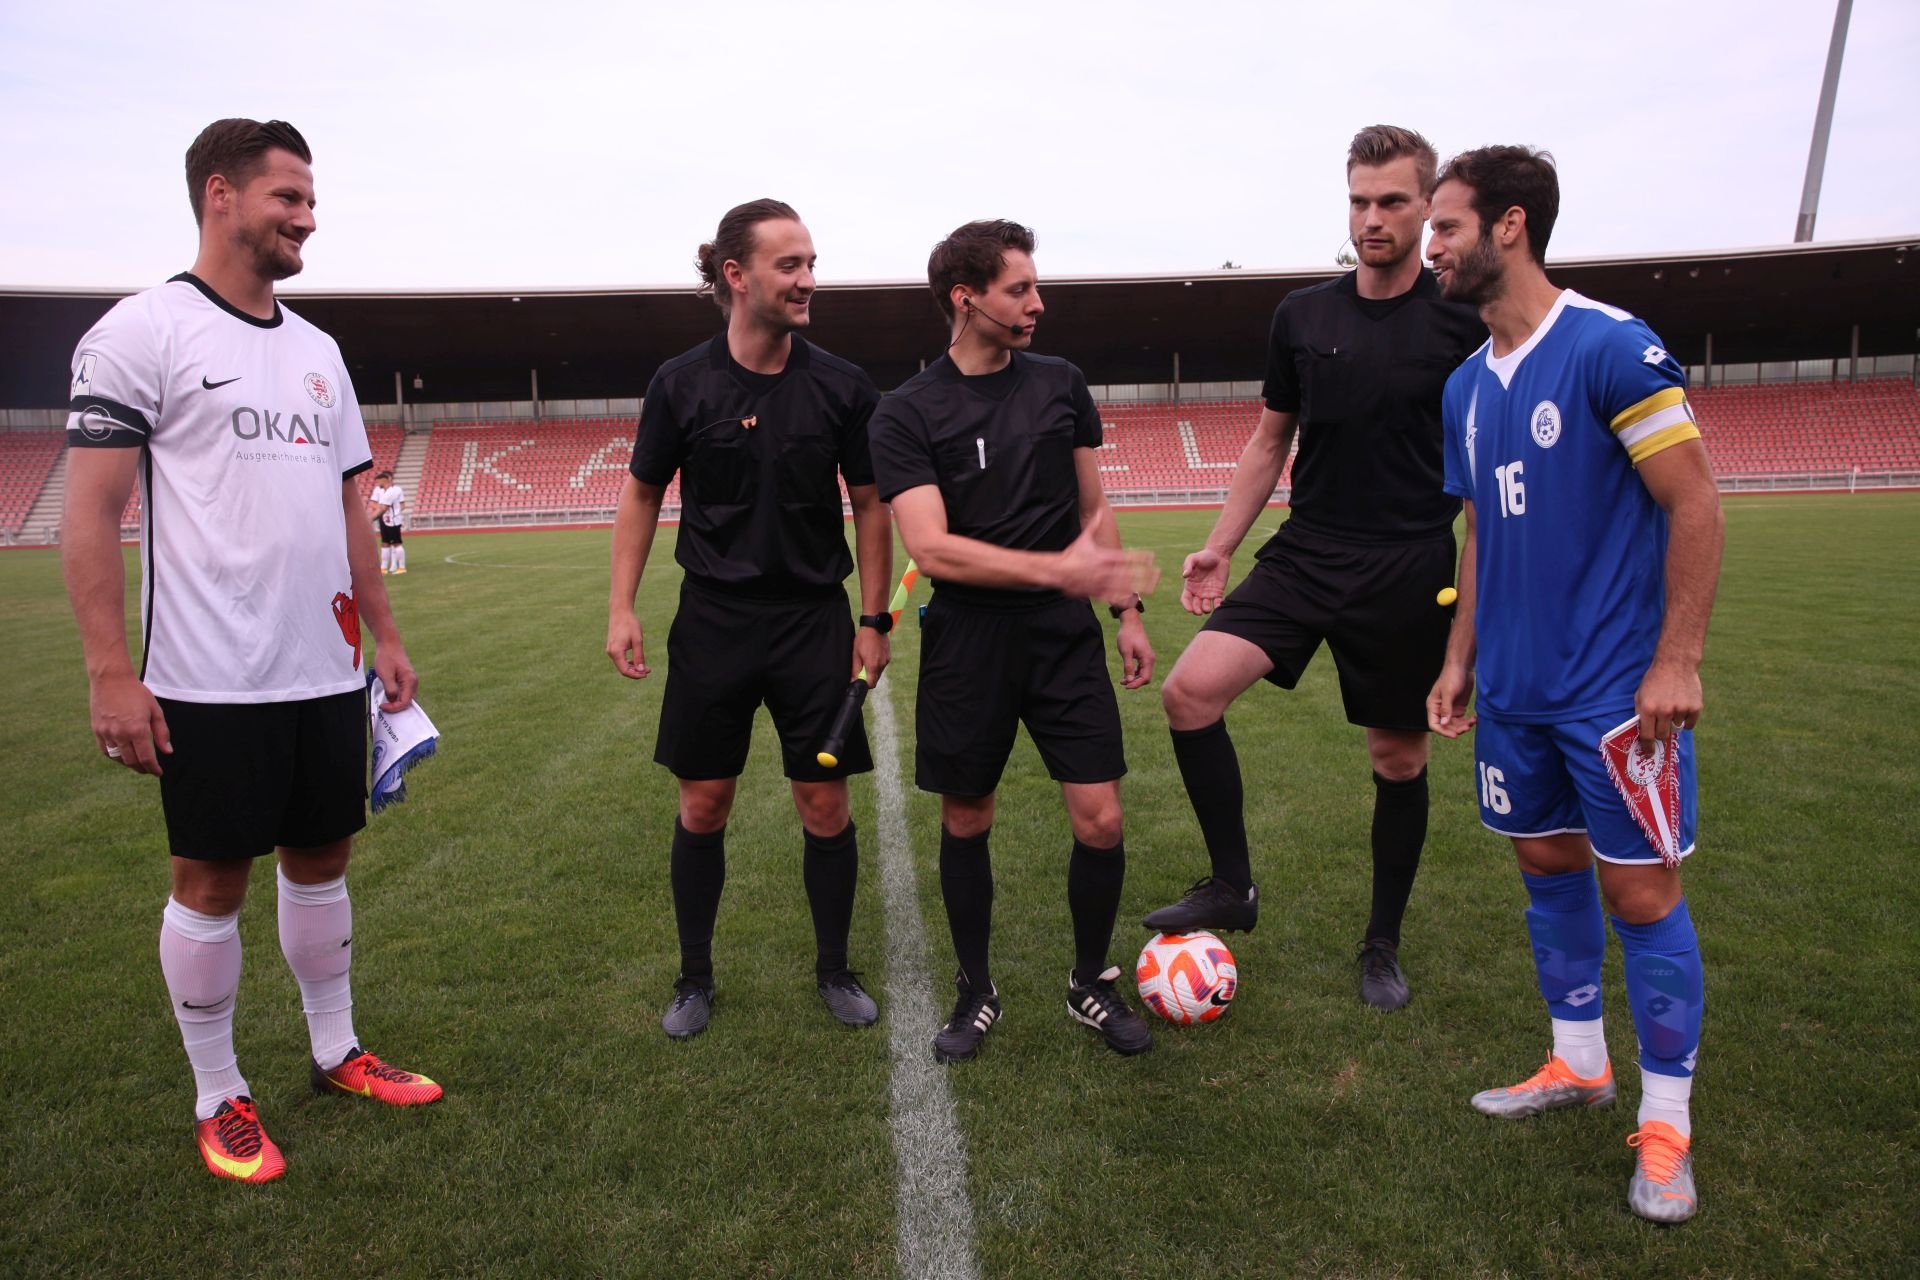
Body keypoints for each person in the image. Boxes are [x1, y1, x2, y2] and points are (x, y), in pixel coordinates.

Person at [61, 118, 441, 1186]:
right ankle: (218, 1093)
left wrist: (386, 635)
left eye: (311, 199)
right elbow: (89, 514)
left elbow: (350, 507)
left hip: (323, 666)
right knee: (210, 878)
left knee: (323, 859)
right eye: (288, 197)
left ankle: (336, 1049)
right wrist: (109, 671)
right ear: (219, 193)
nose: (307, 217)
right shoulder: (143, 331)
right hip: (205, 674)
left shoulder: (318, 351)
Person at [1423, 145, 1723, 1223]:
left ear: (1509, 224)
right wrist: (1459, 659)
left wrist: (1676, 660)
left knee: (1640, 895)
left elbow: (1695, 501)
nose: (1432, 247)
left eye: (1446, 226)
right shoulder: (1464, 385)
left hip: (1613, 698)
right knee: (1546, 866)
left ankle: (1667, 1125)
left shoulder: (1608, 346)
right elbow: (1479, 531)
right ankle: (1579, 1061)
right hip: (1512, 691)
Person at [1143, 125, 1485, 1010]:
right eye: (1359, 201)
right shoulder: (1302, 316)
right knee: (1190, 692)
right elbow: (1270, 441)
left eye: (1392, 202)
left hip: (1410, 561)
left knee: (1397, 761)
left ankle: (1381, 943)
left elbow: (1481, 485)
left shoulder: (1464, 322)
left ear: (1426, 207)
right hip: (1309, 548)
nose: (1372, 218)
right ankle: (1233, 884)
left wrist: (1467, 634)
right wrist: (1221, 543)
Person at [868, 219, 1161, 1063]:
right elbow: (932, 548)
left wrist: (1126, 610)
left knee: (1101, 818)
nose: (1038, 303)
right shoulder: (907, 411)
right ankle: (976, 988)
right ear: (966, 299)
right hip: (969, 639)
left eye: (1036, 286)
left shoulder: (1061, 383)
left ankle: (1089, 981)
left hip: (1064, 637)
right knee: (968, 817)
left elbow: (1093, 509)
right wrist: (1056, 570)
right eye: (1019, 289)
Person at [607, 199, 892, 1040]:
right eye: (789, 265)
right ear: (736, 275)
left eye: (812, 263)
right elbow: (642, 494)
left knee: (825, 805)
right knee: (704, 804)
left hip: (813, 622)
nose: (808, 280)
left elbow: (872, 504)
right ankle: (694, 978)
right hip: (714, 622)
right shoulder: (680, 382)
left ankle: (834, 969)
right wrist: (621, 607)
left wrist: (873, 619)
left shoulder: (843, 384)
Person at [368, 468, 407, 574]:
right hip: (384, 519)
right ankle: (384, 567)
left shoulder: (393, 491)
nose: (377, 484)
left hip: (393, 521)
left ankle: (401, 567)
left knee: (396, 543)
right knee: (385, 543)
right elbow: (378, 506)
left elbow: (384, 508)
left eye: (378, 482)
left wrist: (371, 518)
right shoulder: (382, 490)